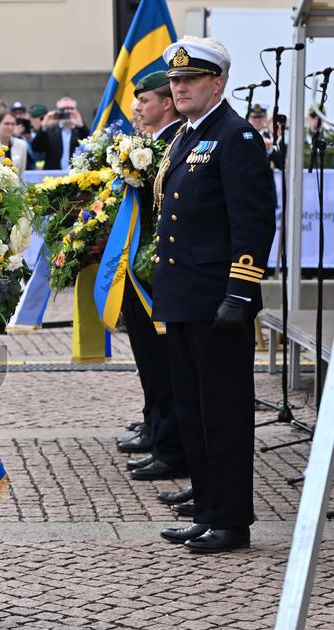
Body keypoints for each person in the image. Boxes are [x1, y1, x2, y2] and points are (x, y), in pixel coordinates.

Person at [153, 37, 275, 553]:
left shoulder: (236, 136)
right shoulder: (189, 135)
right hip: (185, 297)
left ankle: (231, 520)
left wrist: (240, 293)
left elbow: (254, 222)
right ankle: (206, 509)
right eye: (175, 81)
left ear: (217, 82)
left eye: (190, 79)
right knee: (193, 411)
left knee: (223, 415)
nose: (179, 88)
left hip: (217, 300)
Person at [114, 71, 188, 492]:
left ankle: (169, 445)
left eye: (145, 100)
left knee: (164, 364)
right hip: (141, 267)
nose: (137, 107)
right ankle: (158, 431)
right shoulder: (154, 144)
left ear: (166, 104)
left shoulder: (172, 143)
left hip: (158, 269)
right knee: (151, 361)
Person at [31, 97, 89, 170]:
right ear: (57, 111)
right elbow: (37, 148)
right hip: (53, 174)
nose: (67, 111)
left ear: (76, 111)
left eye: (70, 109)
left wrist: (81, 126)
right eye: (63, 109)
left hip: (76, 174)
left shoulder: (80, 129)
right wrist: (43, 127)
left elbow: (89, 146)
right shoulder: (50, 130)